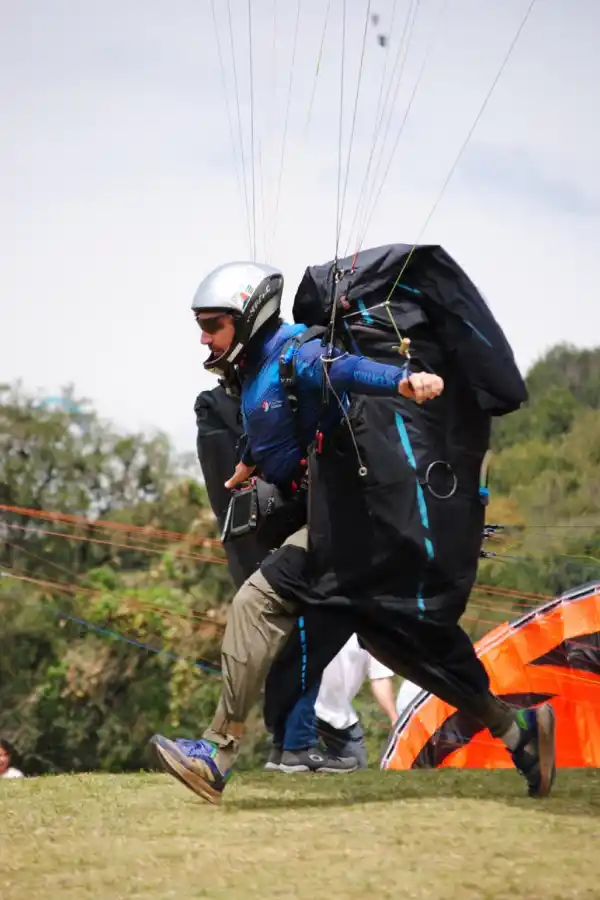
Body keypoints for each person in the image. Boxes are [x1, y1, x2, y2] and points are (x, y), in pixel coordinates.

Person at [151, 259, 555, 805]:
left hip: (351, 526)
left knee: (256, 602)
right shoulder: (251, 370)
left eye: (213, 323)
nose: (203, 336)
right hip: (342, 527)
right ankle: (520, 732)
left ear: (248, 317)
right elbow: (268, 418)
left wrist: (405, 382)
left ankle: (217, 753)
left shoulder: (301, 353)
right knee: (403, 643)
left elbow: (351, 370)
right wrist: (248, 461)